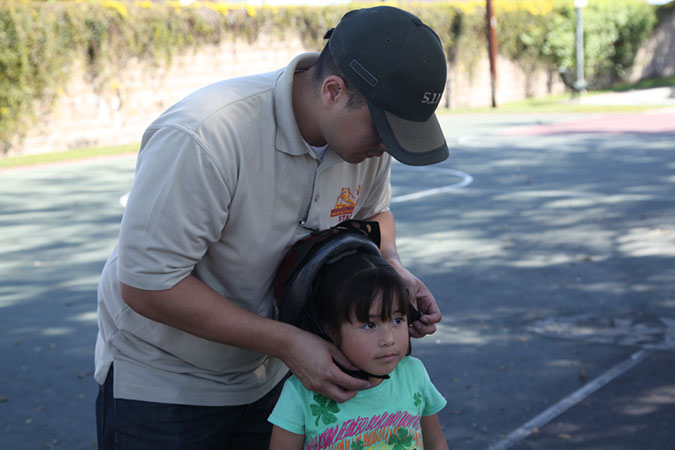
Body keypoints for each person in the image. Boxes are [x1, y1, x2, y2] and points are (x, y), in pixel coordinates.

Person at [95, 5, 449, 449]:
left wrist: (393, 268)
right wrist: (288, 343)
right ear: (333, 91)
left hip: (274, 379)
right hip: (168, 388)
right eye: (382, 131)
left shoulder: (365, 149)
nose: (386, 149)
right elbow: (147, 285)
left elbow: (373, 219)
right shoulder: (206, 135)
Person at [268, 249, 448, 450]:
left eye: (397, 320)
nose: (388, 339)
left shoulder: (414, 375)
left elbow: (436, 444)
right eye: (369, 325)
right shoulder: (301, 393)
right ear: (332, 331)